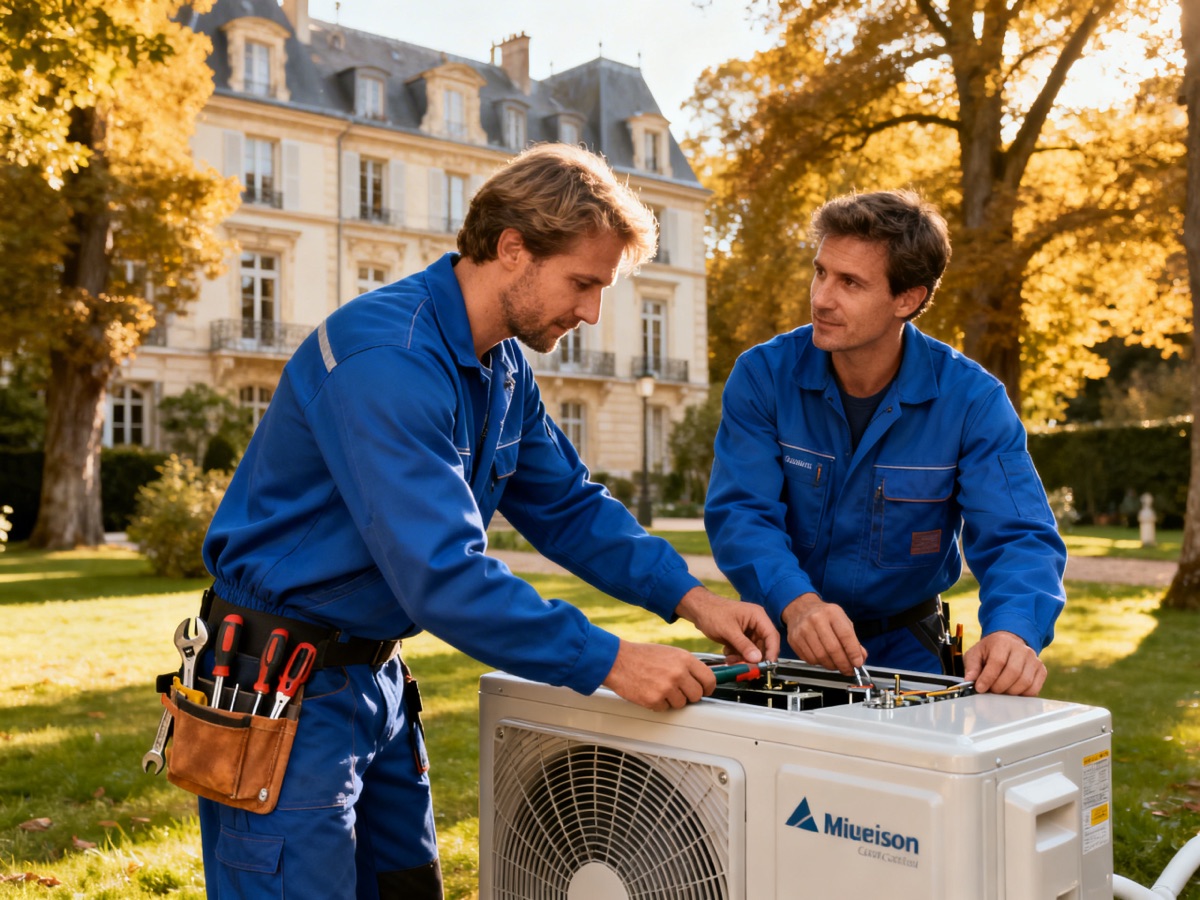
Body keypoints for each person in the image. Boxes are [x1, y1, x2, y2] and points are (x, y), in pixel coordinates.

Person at [193, 142, 778, 899]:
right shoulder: (387, 357)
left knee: (409, 887)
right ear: (512, 249)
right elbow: (444, 575)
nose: (591, 311)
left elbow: (568, 506)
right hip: (283, 692)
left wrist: (695, 599)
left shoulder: (501, 367)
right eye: (583, 282)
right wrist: (612, 661)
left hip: (375, 684)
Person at [704, 189, 1065, 697]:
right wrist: (797, 602)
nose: (822, 297)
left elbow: (1020, 535)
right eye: (821, 271)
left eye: (850, 282)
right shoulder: (763, 376)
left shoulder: (973, 401)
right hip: (785, 643)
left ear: (908, 299)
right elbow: (742, 513)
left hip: (910, 655)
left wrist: (1013, 632)